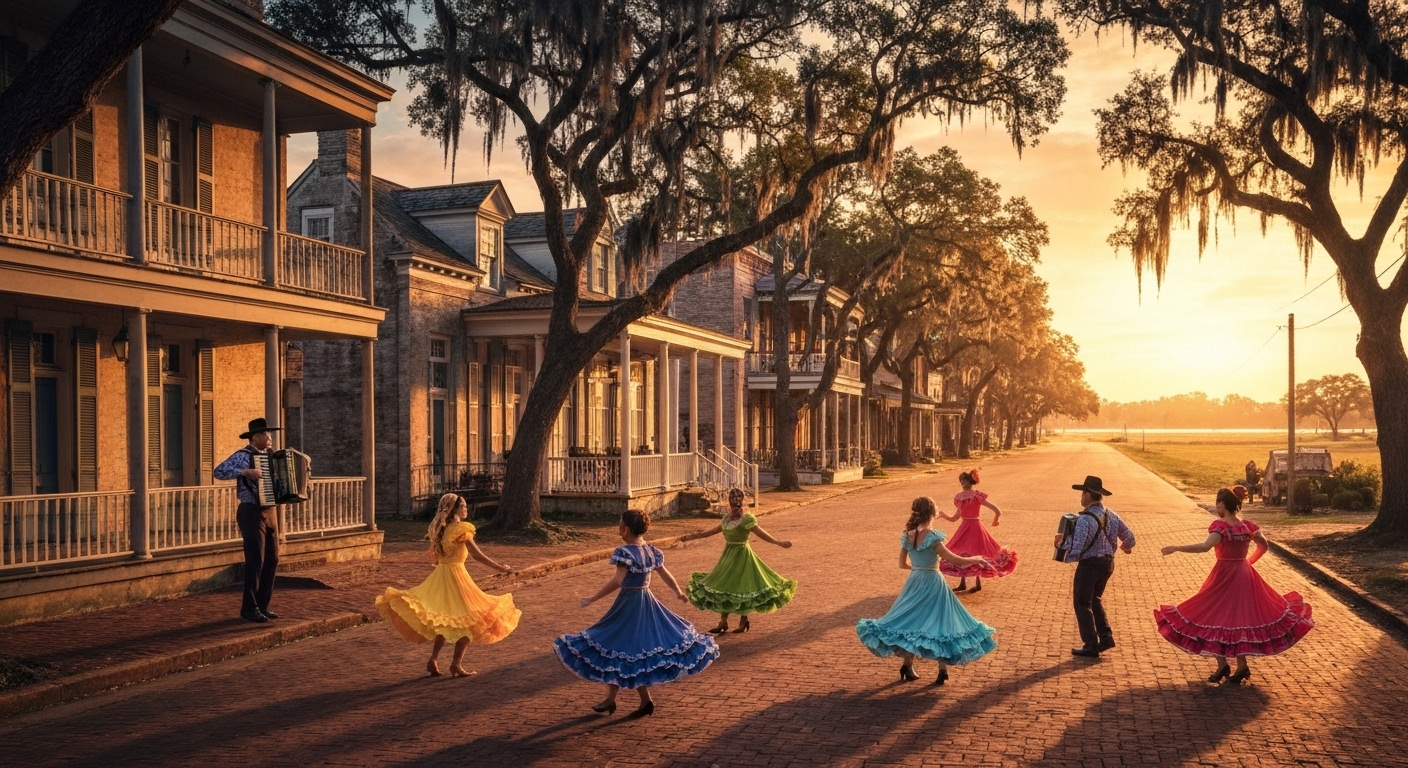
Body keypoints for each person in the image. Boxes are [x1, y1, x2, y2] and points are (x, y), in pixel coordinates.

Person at [554, 509, 720, 718]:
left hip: (631, 604)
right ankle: (627, 700)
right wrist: (677, 592)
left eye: (620, 523)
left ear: (627, 528)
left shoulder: (625, 552)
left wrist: (592, 598)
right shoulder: (651, 550)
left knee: (622, 648)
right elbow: (665, 574)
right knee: (628, 651)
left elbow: (618, 581)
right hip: (646, 601)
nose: (619, 527)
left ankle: (627, 700)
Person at [1155, 487, 1314, 684]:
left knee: (1214, 616)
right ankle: (1240, 666)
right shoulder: (1246, 526)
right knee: (1239, 619)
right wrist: (1248, 562)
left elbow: (1205, 547)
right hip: (1244, 574)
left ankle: (1224, 665)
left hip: (1224, 575)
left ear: (1224, 506)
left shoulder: (1221, 527)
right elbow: (1264, 546)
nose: (1216, 507)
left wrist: (1176, 548)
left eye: (1218, 504)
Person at [856, 497, 998, 685]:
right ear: (932, 512)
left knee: (912, 623)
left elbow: (901, 564)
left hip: (914, 581)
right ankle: (941, 669)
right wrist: (976, 558)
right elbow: (954, 559)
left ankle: (908, 664)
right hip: (933, 582)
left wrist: (918, 570)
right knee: (941, 623)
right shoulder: (932, 537)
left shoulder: (908, 535)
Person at [376, 494, 520, 678]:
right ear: (455, 509)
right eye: (464, 506)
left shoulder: (442, 530)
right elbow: (477, 556)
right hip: (456, 577)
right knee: (471, 619)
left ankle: (433, 659)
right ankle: (456, 664)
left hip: (441, 576)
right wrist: (501, 567)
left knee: (445, 619)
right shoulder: (461, 529)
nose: (466, 509)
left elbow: (437, 558)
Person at [685, 487, 797, 634]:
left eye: (738, 501)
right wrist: (692, 537)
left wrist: (778, 542)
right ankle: (723, 622)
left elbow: (760, 533)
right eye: (732, 501)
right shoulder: (726, 518)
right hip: (728, 556)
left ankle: (743, 620)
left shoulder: (747, 519)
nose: (735, 504)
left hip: (743, 555)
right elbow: (711, 532)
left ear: (742, 502)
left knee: (743, 587)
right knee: (724, 586)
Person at [1055, 475, 1136, 657]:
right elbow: (1129, 536)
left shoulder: (1084, 519)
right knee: (1095, 599)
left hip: (1090, 565)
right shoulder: (1111, 514)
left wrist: (1061, 544)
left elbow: (1077, 548)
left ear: (1089, 495)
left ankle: (1090, 644)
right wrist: (1126, 547)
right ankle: (1105, 637)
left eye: (1083, 493)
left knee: (1082, 602)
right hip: (1107, 563)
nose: (1081, 497)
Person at [213, 417, 285, 623]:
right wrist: (245, 471)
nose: (269, 437)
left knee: (273, 560)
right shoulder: (243, 456)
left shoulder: (273, 457)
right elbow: (219, 471)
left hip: (270, 511)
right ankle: (249, 607)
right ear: (254, 438)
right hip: (251, 512)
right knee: (256, 561)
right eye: (264, 434)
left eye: (269, 434)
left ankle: (262, 605)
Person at [940, 469, 1017, 592]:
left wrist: (996, 520)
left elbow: (997, 510)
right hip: (966, 527)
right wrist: (944, 516)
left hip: (974, 528)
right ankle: (964, 582)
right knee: (963, 553)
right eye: (961, 481)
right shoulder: (961, 498)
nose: (962, 483)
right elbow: (955, 517)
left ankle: (976, 582)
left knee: (974, 553)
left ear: (970, 481)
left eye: (964, 480)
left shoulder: (975, 496)